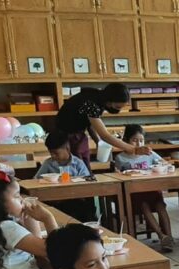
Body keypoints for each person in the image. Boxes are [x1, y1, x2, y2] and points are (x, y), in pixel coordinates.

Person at [55, 83, 147, 221]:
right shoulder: (91, 102)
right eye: (118, 107)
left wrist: (98, 142)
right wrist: (132, 149)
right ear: (110, 100)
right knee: (77, 177)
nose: (119, 110)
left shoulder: (99, 99)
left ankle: (90, 216)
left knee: (86, 176)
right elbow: (105, 134)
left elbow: (90, 124)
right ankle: (81, 217)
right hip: (67, 138)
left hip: (78, 136)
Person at [114, 124, 174, 252]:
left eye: (141, 140)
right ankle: (161, 236)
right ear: (126, 141)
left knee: (161, 206)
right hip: (135, 193)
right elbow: (117, 175)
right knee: (144, 206)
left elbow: (164, 163)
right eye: (134, 140)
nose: (138, 144)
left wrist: (163, 166)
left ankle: (169, 237)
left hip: (151, 189)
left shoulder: (149, 154)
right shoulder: (121, 158)